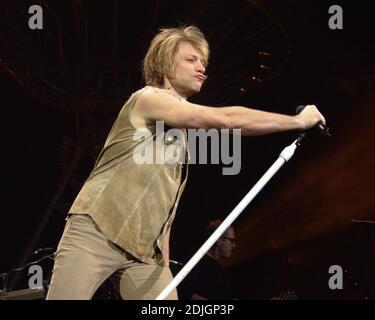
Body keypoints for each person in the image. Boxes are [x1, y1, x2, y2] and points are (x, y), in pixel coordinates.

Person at [46, 25, 326, 300]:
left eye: (203, 62)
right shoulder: (147, 99)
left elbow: (164, 192)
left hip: (145, 254)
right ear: (166, 64)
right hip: (98, 230)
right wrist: (297, 122)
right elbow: (227, 121)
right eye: (191, 60)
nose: (202, 68)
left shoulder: (179, 137)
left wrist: (163, 244)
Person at [182, 219, 237, 300]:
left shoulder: (219, 269)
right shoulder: (196, 262)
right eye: (232, 241)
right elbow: (184, 292)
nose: (234, 245)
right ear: (219, 240)